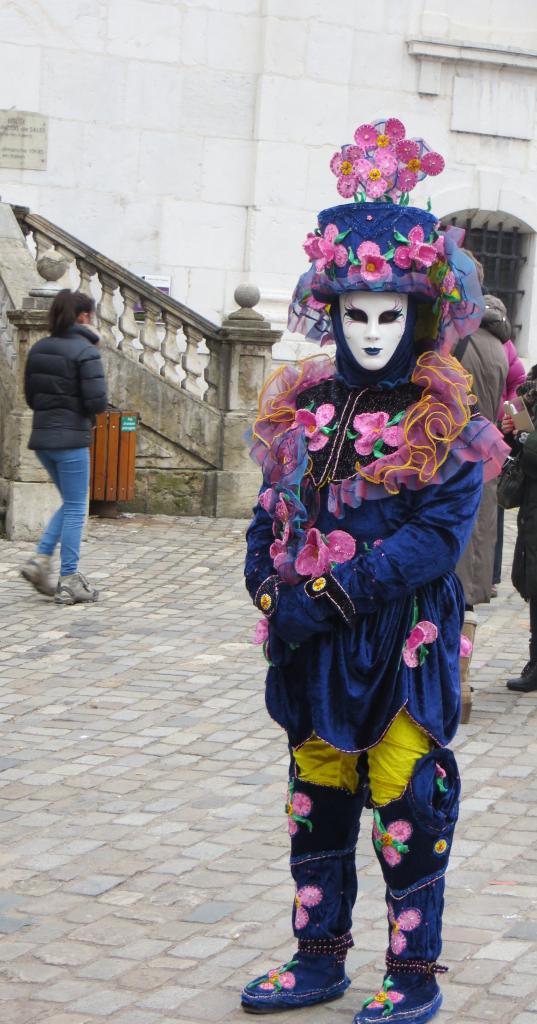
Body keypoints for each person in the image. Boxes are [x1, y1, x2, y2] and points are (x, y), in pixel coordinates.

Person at [241, 117, 508, 1024]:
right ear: (332, 308)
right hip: (312, 649)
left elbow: (437, 536)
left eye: (387, 315)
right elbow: (273, 506)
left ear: (420, 314)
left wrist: (331, 591)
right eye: (354, 314)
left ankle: (414, 973)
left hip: (399, 642)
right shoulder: (307, 401)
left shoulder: (444, 414)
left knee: (406, 802)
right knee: (315, 799)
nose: (367, 332)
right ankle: (317, 959)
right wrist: (268, 581)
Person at [21, 288, 107, 605]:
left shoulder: (39, 348)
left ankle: (39, 561)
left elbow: (30, 397)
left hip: (43, 438)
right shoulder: (86, 351)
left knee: (69, 502)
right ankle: (69, 578)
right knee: (75, 507)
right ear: (84, 316)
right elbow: (97, 401)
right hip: (71, 439)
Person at [453, 285, 508, 721]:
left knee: (446, 577)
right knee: (468, 586)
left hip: (448, 466)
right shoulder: (498, 345)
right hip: (484, 468)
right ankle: (462, 682)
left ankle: (451, 681)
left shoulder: (454, 339)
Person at [481, 295, 526, 595]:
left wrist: (512, 420)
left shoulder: (482, 340)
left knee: (491, 502)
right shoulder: (506, 343)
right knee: (493, 505)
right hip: (502, 426)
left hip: (492, 425)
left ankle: (491, 573)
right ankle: (493, 574)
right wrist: (515, 420)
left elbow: (516, 386)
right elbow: (518, 384)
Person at [504, 368, 537, 692]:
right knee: (532, 580)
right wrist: (514, 432)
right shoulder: (531, 390)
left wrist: (526, 437)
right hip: (532, 504)